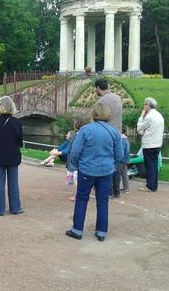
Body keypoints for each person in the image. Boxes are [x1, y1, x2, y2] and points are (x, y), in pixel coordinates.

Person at [66, 103, 122, 242]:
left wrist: (76, 165)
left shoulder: (86, 130)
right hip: (106, 171)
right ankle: (101, 232)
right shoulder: (114, 132)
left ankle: (77, 229)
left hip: (86, 170)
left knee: (82, 198)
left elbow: (75, 151)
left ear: (93, 114)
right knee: (103, 201)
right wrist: (112, 165)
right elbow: (119, 155)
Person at [0, 96, 23, 216]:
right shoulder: (17, 122)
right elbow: (20, 141)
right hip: (13, 156)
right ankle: (15, 208)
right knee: (13, 183)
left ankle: (0, 209)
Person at [137, 97, 165, 192]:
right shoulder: (159, 115)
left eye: (145, 104)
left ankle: (150, 186)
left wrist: (141, 116)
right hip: (157, 144)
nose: (144, 106)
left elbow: (139, 127)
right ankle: (154, 185)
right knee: (154, 165)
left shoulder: (149, 116)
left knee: (149, 166)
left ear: (148, 105)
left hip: (149, 145)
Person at [66, 118, 90, 201]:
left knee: (76, 179)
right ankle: (85, 194)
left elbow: (70, 150)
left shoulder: (73, 136)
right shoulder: (88, 135)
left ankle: (76, 196)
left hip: (77, 161)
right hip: (86, 160)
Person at [117, 128, 131, 194]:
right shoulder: (126, 139)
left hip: (121, 160)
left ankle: (116, 189)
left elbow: (121, 151)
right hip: (126, 159)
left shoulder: (121, 140)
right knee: (124, 174)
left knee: (117, 174)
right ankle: (126, 188)